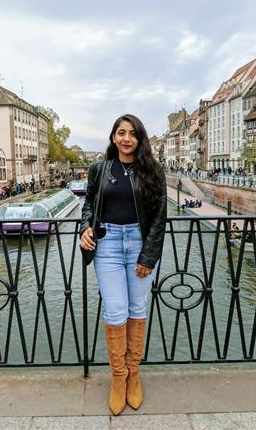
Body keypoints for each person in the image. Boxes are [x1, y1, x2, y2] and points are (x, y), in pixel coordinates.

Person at [80, 114, 167, 416]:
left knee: (137, 310)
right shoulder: (99, 169)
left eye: (132, 134)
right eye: (121, 133)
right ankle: (119, 378)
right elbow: (89, 204)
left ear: (139, 139)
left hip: (139, 243)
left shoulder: (153, 171)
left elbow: (159, 216)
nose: (127, 138)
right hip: (108, 244)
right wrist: (84, 228)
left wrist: (148, 256)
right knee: (115, 309)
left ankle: (134, 375)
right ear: (113, 137)